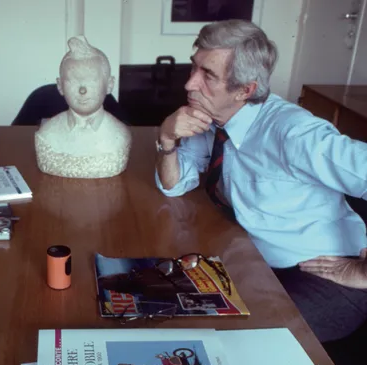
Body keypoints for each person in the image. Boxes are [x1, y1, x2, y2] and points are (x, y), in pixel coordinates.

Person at [154, 20, 367, 344]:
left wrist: (363, 273)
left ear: (245, 90)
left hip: (325, 276)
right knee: (172, 308)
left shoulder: (293, 132)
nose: (190, 83)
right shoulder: (212, 117)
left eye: (208, 75)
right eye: (194, 67)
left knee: (236, 344)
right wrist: (167, 138)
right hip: (259, 262)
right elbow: (174, 185)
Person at [35, 35, 131, 179]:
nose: (82, 90)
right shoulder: (46, 136)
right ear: (60, 86)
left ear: (109, 85)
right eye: (73, 81)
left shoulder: (120, 136)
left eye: (92, 81)